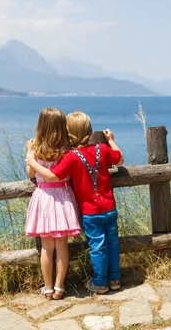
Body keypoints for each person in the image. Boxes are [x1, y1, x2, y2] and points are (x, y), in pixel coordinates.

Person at [26, 111, 124, 294]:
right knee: (112, 244)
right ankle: (114, 279)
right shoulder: (99, 149)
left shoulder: (71, 156)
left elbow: (51, 176)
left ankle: (100, 282)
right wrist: (110, 140)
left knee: (97, 247)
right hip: (109, 207)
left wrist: (31, 158)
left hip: (89, 211)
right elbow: (120, 158)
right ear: (89, 133)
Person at [24, 108, 82, 300]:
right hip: (63, 196)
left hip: (43, 197)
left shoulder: (34, 146)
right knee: (62, 245)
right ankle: (59, 287)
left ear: (40, 125)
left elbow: (31, 174)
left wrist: (31, 157)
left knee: (46, 247)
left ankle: (47, 288)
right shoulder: (67, 148)